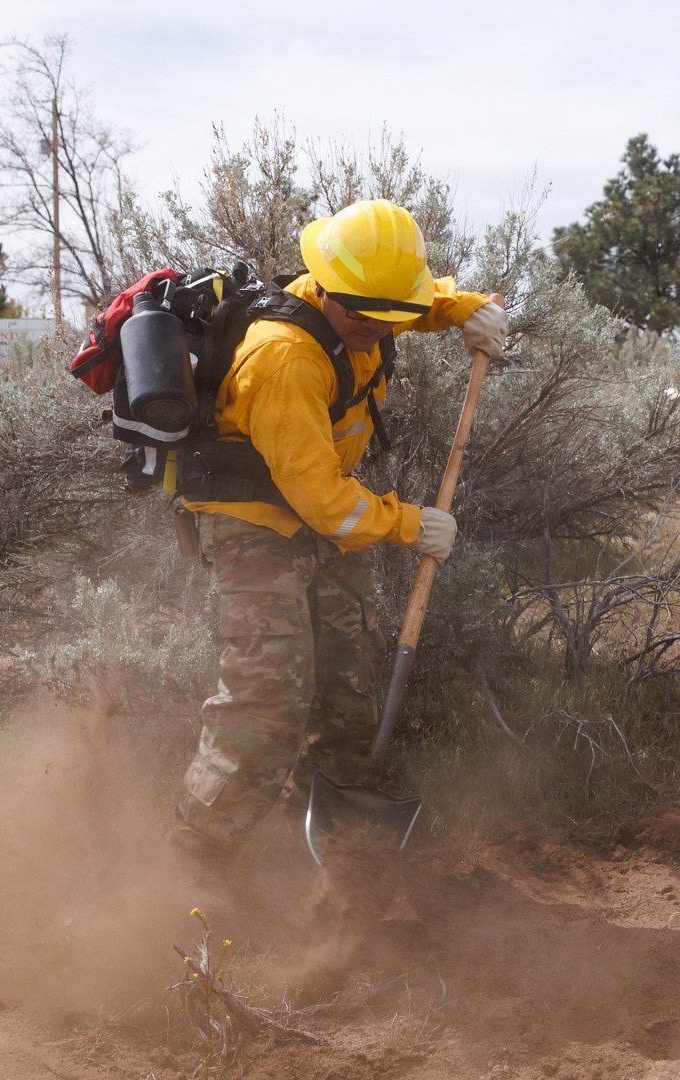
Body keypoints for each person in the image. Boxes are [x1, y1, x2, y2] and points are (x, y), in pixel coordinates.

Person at [170, 199, 508, 866]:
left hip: (317, 514)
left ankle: (320, 834)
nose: (377, 331)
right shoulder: (284, 358)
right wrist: (412, 525)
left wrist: (461, 306)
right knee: (267, 706)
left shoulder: (360, 306)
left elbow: (404, 304)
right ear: (331, 290)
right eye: (363, 318)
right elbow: (328, 505)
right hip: (255, 526)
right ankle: (194, 859)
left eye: (391, 318)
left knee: (347, 690)